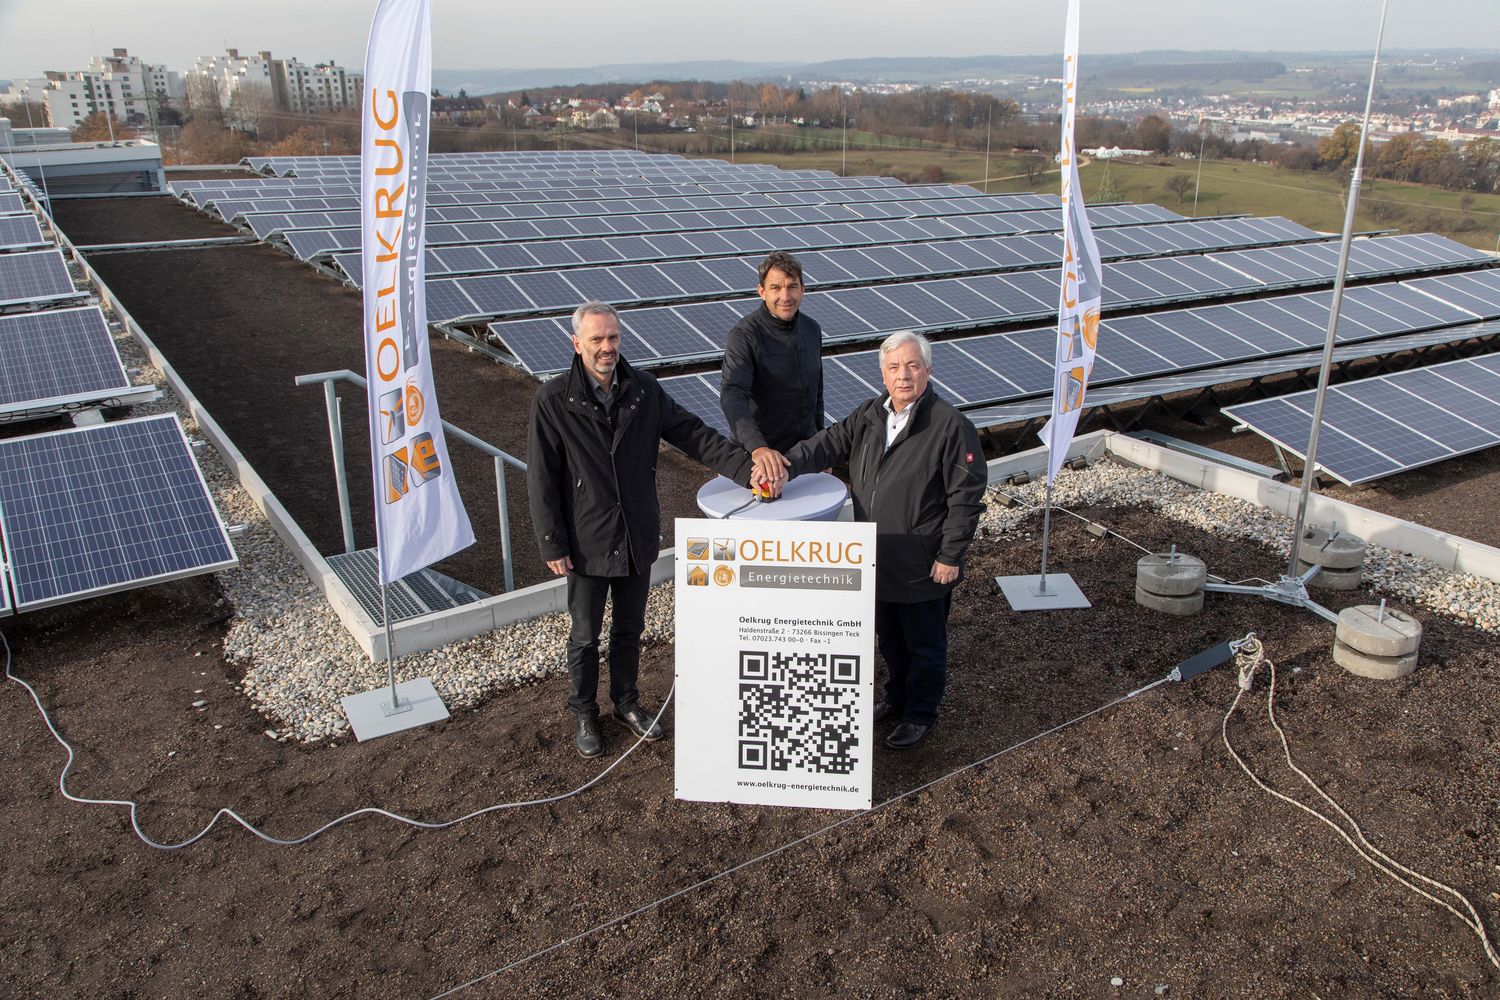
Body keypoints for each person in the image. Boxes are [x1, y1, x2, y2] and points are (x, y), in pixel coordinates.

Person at [528, 301, 755, 758]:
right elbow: (542, 476)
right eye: (597, 339)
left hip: (635, 534)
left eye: (613, 337)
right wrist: (552, 540)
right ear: (577, 344)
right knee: (586, 634)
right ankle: (585, 711)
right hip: (587, 538)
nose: (607, 347)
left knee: (630, 628)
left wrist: (746, 468)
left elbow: (693, 435)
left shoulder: (644, 391)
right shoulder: (554, 400)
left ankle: (626, 703)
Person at [783, 331, 985, 750]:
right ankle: (896, 698)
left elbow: (965, 498)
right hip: (875, 557)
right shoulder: (870, 414)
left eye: (913, 366)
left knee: (925, 645)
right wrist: (785, 465)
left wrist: (950, 555)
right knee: (890, 640)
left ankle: (921, 713)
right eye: (894, 367)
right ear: (883, 373)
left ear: (928, 370)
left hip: (922, 562)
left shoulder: (949, 425)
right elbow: (828, 444)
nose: (904, 375)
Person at [721, 251, 823, 492]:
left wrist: (821, 449)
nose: (785, 296)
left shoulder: (811, 329)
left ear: (803, 289)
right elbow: (732, 395)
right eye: (776, 288)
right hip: (760, 462)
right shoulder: (744, 335)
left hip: (802, 459)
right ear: (761, 291)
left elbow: (816, 394)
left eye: (792, 287)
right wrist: (758, 448)